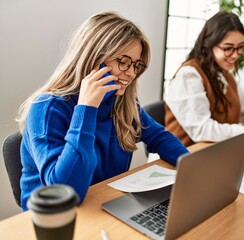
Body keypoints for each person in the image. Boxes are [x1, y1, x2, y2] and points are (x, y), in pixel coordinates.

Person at [17, 11, 188, 211]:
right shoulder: (47, 108)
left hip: (103, 206)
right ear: (92, 58)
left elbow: (159, 137)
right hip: (53, 220)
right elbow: (68, 192)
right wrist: (87, 108)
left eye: (135, 65)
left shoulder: (122, 103)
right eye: (122, 62)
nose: (131, 73)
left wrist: (192, 167)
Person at [164, 10, 244, 147]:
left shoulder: (222, 71)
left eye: (239, 47)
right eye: (228, 48)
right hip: (182, 157)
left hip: (217, 152)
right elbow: (202, 130)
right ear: (209, 45)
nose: (235, 55)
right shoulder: (189, 76)